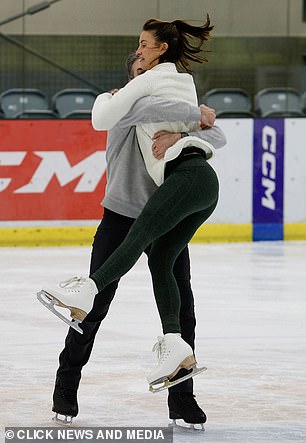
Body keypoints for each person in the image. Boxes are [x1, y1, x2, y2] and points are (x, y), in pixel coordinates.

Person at [40, 14, 221, 398]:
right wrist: (192, 115)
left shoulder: (164, 105)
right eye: (138, 70)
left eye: (147, 63)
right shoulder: (125, 109)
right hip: (121, 215)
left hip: (163, 213)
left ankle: (182, 399)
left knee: (181, 305)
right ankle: (66, 385)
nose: (144, 72)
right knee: (94, 308)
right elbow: (150, 112)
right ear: (132, 80)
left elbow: (216, 134)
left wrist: (182, 127)